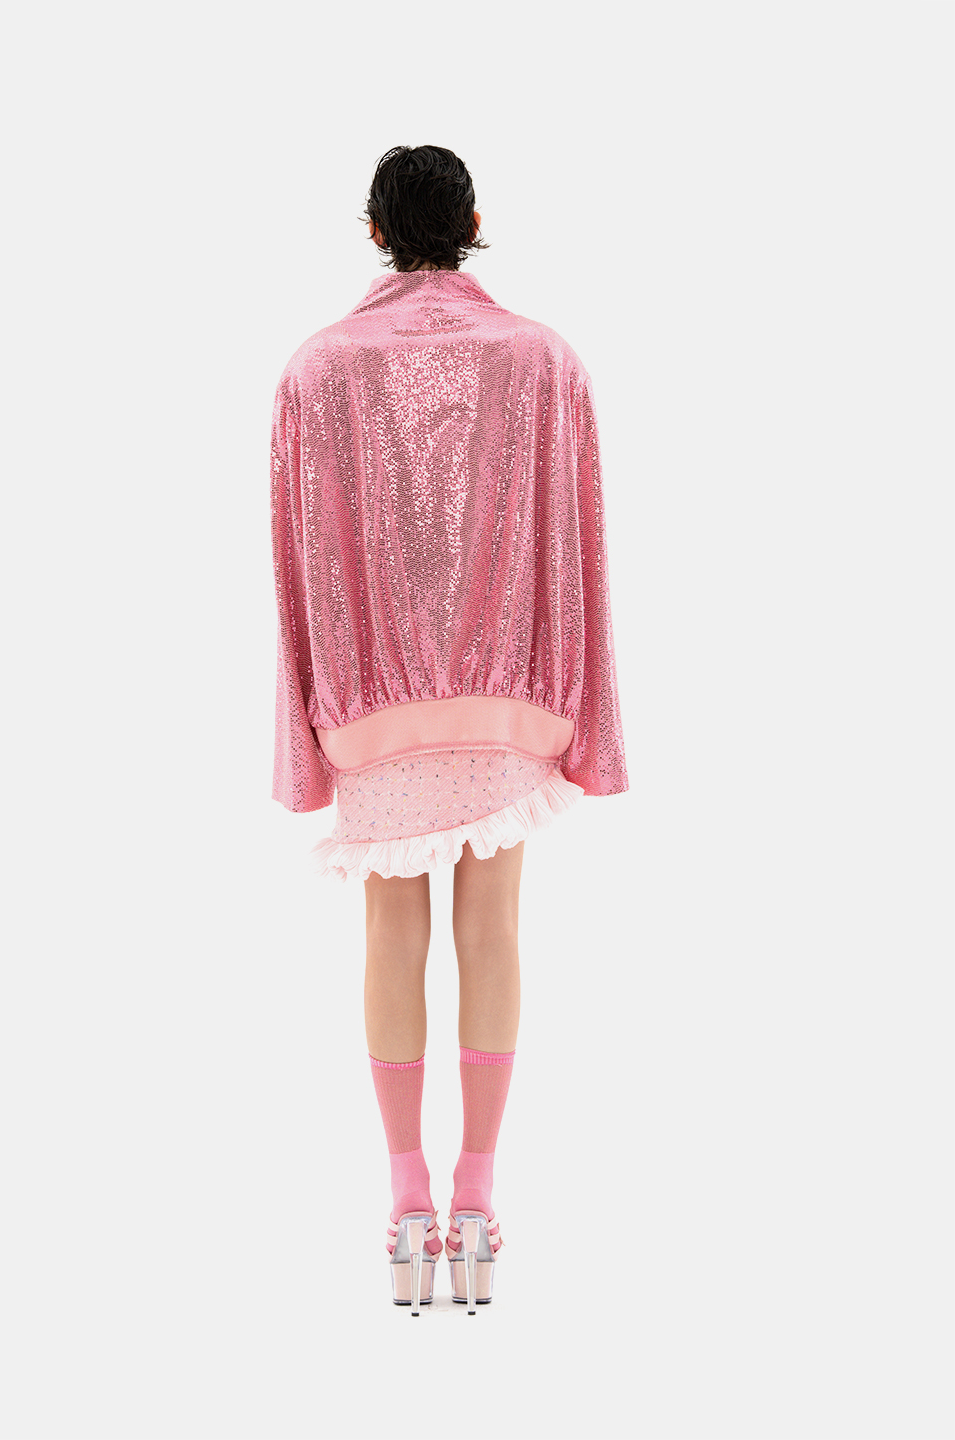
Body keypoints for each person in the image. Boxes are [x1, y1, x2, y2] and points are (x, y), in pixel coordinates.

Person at [270, 144, 628, 1312]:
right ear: (473, 220)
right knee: (493, 930)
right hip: (508, 697)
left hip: (372, 706)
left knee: (389, 935)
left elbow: (297, 562)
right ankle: (477, 1196)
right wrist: (580, 710)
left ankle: (405, 1199)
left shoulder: (316, 371)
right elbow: (579, 540)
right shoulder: (544, 360)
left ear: (374, 232)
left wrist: (311, 725)